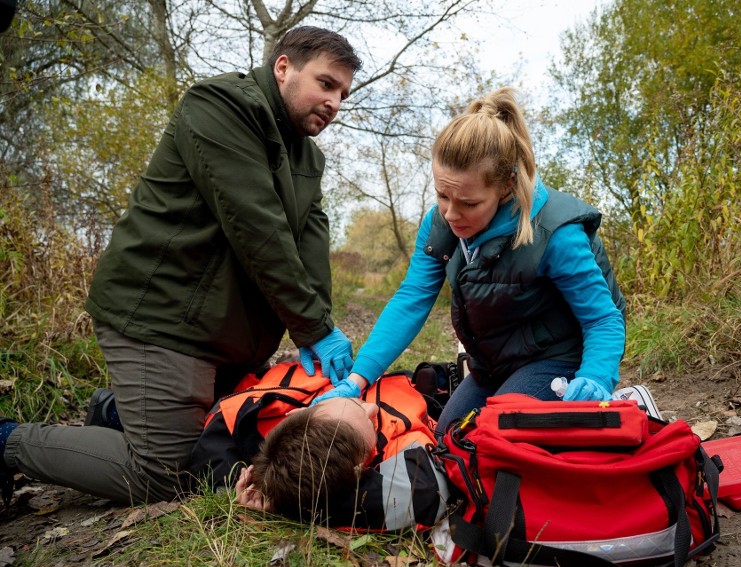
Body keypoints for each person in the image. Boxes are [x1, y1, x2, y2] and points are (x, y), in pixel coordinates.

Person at [1, 26, 361, 506]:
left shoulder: (307, 158)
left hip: (224, 335)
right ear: (283, 68)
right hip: (163, 316)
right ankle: (7, 440)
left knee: (231, 445)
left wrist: (321, 330)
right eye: (325, 83)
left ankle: (114, 414)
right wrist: (310, 325)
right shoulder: (220, 106)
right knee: (164, 476)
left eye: (342, 93)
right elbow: (257, 226)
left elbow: (310, 247)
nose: (333, 102)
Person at [313, 87, 626, 435]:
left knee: (487, 437)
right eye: (442, 195)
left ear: (507, 186)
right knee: (449, 435)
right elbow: (412, 298)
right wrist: (356, 380)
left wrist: (596, 376)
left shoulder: (555, 233)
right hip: (496, 361)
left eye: (469, 203)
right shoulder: (440, 223)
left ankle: (628, 402)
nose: (451, 213)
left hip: (562, 356)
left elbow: (603, 319)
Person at [190, 361, 449, 530]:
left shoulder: (262, 413)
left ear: (300, 412)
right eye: (369, 420)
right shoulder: (401, 441)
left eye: (354, 401)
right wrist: (297, 499)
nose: (371, 407)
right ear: (359, 468)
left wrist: (272, 493)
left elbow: (209, 449)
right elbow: (427, 492)